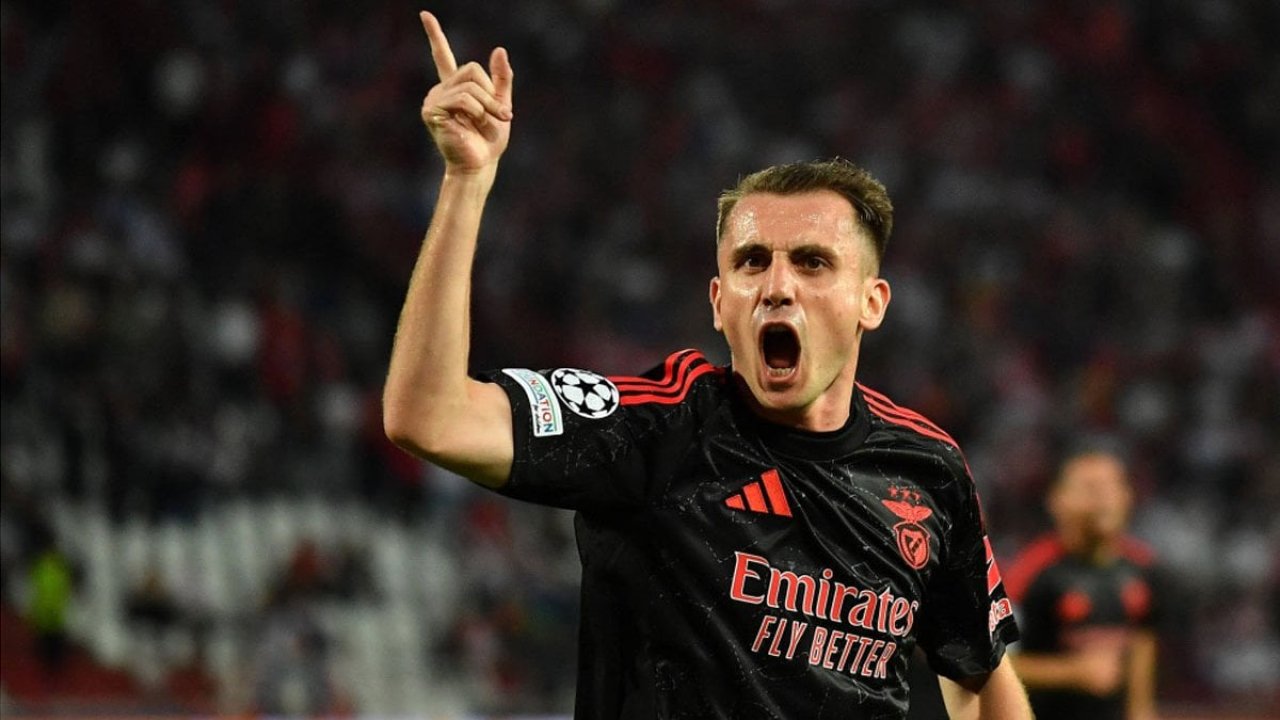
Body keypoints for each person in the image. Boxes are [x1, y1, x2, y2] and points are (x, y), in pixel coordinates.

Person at [383, 11, 1030, 719]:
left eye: (812, 262)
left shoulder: (927, 469)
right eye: (752, 262)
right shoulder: (656, 430)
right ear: (720, 303)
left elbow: (979, 673)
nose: (777, 286)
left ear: (870, 303)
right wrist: (466, 181)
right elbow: (429, 416)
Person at [1005, 445, 1159, 720]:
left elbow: (1142, 641)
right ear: (1057, 500)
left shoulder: (1142, 569)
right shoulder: (1029, 574)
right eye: (1090, 488)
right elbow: (992, 664)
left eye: (1111, 486)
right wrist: (1072, 672)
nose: (1102, 499)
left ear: (1128, 496)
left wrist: (1141, 709)